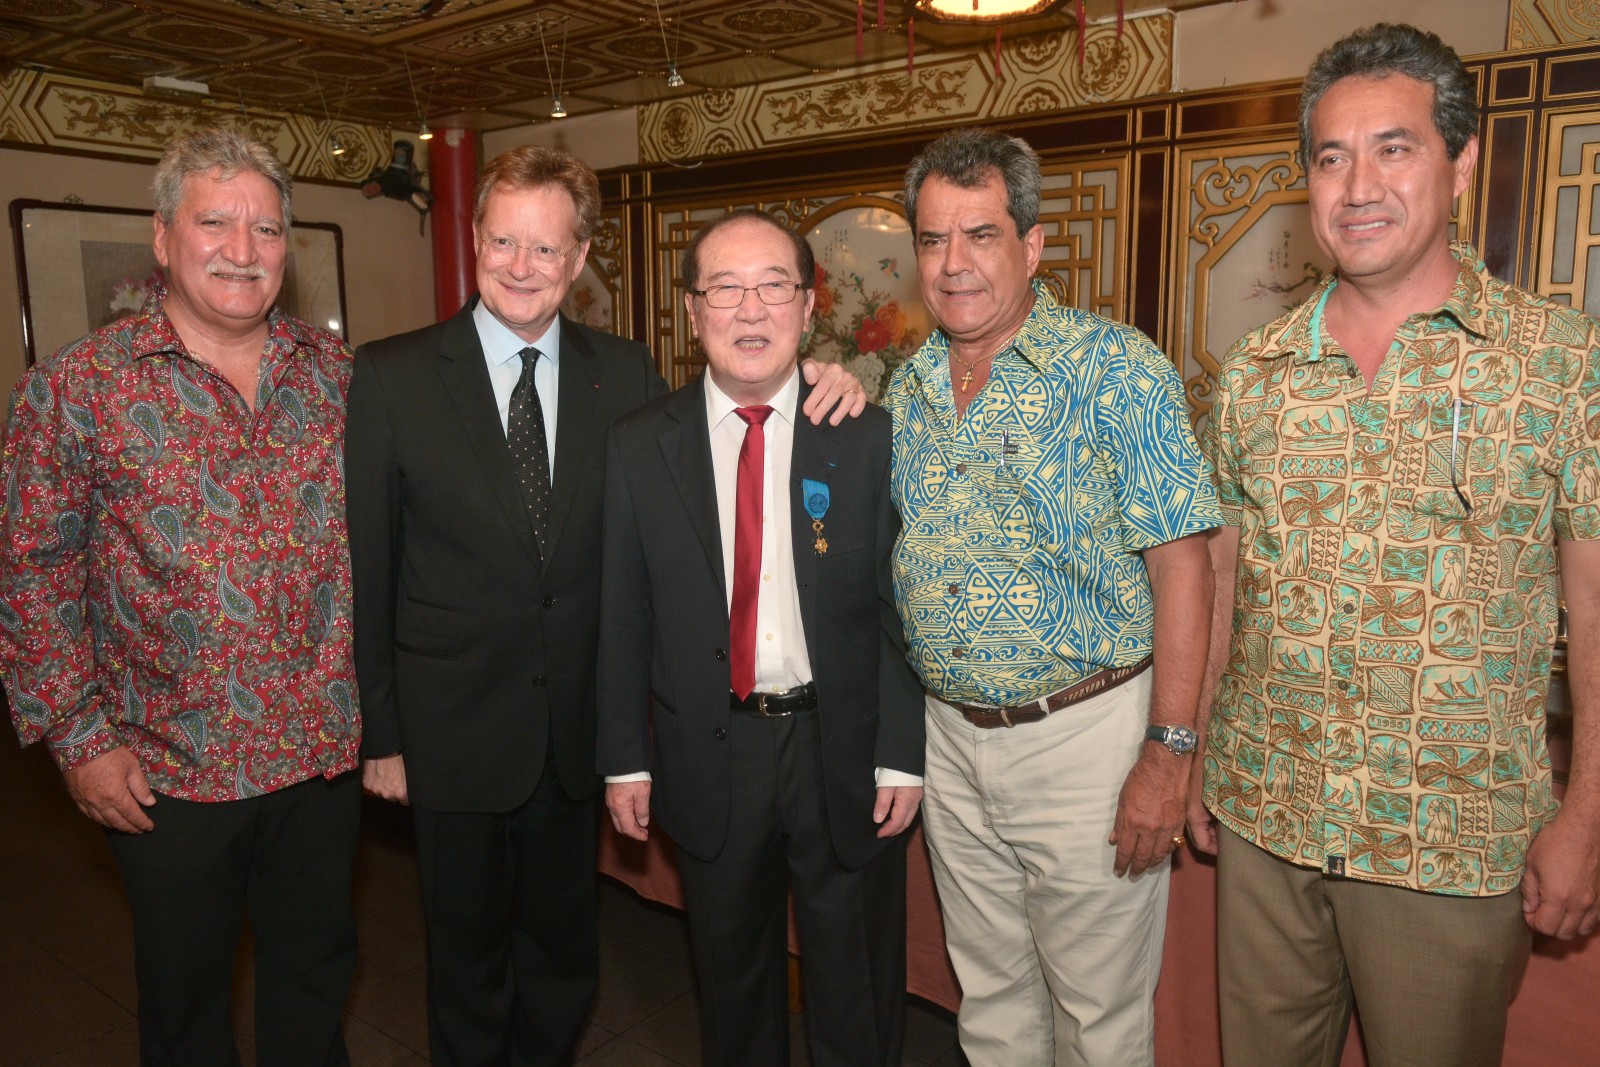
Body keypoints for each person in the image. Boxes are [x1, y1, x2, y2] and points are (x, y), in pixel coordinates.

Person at [345, 148, 866, 1067]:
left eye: (544, 249)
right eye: (502, 240)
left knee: (564, 959)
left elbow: (710, 463)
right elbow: (371, 562)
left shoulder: (623, 373)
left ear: (579, 259)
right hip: (452, 730)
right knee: (463, 958)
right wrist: (381, 734)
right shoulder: (390, 375)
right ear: (474, 239)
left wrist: (836, 378)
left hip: (578, 730)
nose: (520, 265)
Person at [1188, 23, 1600, 1067]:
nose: (1356, 184)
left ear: (1461, 164)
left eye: (1393, 148)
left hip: (1450, 838)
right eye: (1330, 157)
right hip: (1266, 809)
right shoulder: (1253, 372)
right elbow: (1224, 578)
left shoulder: (1558, 365)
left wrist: (1587, 808)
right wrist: (1192, 749)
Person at [0, 127, 362, 1065]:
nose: (243, 250)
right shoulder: (76, 389)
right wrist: (78, 739)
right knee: (187, 1001)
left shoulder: (343, 385)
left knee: (315, 983)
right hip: (167, 766)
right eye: (215, 222)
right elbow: (32, 572)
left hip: (322, 753)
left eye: (267, 229)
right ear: (163, 238)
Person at [884, 127, 1223, 1066]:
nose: (952, 265)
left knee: (1098, 1021)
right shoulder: (905, 386)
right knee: (988, 1003)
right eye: (932, 239)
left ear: (1031, 245)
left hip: (1087, 740)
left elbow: (1183, 566)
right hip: (948, 739)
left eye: (980, 236)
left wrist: (1169, 751)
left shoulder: (1119, 370)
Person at [596, 210, 925, 1067]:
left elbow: (896, 610)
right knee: (732, 989)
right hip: (713, 748)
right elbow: (622, 612)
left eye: (773, 285)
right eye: (725, 289)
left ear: (808, 305)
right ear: (693, 310)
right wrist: (626, 757)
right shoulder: (638, 446)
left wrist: (901, 753)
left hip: (841, 751)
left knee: (855, 991)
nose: (750, 309)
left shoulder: (862, 433)